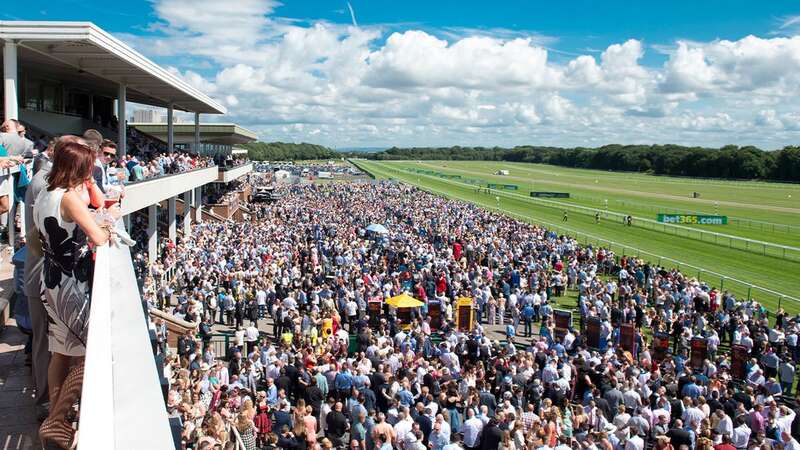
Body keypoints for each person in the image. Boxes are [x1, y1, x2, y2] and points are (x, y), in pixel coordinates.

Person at [34, 141, 115, 448]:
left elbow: (37, 236)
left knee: (60, 353)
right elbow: (98, 237)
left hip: (51, 279)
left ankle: (57, 416)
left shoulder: (45, 193)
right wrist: (109, 223)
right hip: (71, 284)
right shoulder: (68, 197)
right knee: (83, 356)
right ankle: (57, 421)